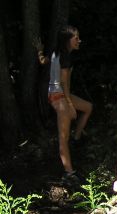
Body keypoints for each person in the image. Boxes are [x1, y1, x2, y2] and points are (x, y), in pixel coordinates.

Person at [37, 26, 93, 184]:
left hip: (59, 94)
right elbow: (64, 83)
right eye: (76, 38)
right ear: (68, 40)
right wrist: (69, 105)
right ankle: (69, 173)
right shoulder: (66, 58)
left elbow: (43, 61)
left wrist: (39, 51)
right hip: (58, 96)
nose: (79, 41)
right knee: (63, 138)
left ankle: (76, 137)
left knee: (88, 107)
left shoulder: (56, 52)